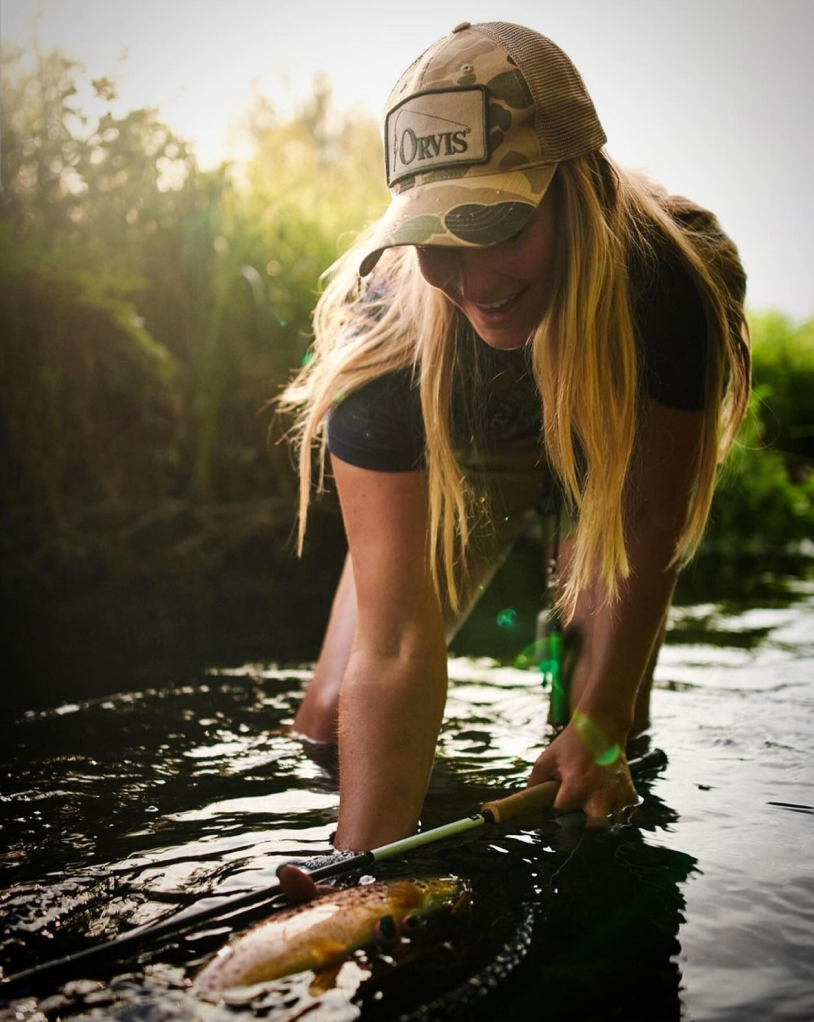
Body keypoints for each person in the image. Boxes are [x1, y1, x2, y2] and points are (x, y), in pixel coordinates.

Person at [279, 21, 750, 852]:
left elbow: (645, 531)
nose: (472, 278)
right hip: (465, 437)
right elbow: (391, 646)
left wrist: (599, 726)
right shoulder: (381, 335)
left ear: (583, 191)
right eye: (435, 239)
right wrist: (356, 879)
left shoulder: (673, 284)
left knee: (595, 743)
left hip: (607, 441)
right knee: (330, 724)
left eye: (495, 227)